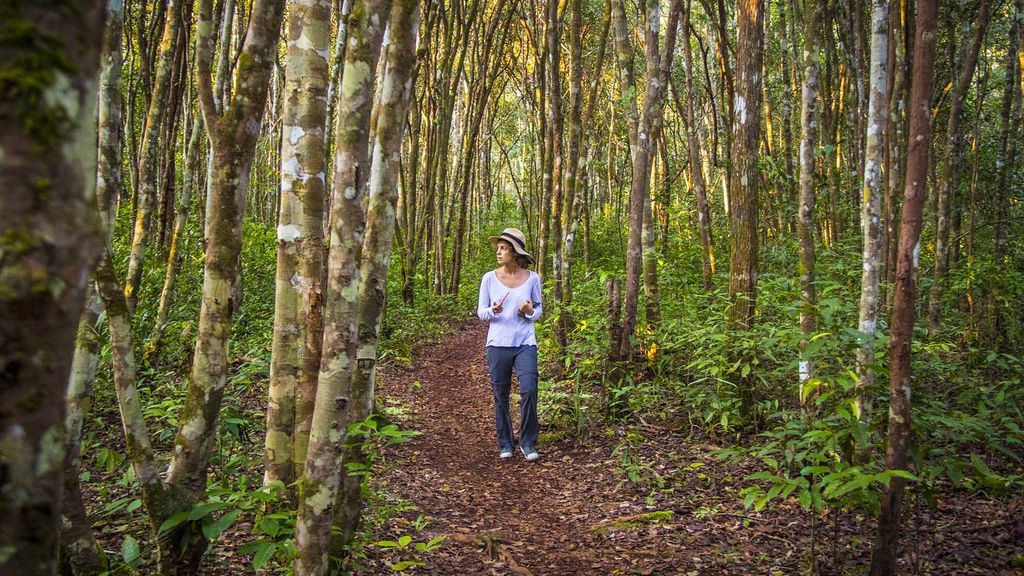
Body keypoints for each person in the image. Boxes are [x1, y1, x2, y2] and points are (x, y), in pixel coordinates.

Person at [477, 227, 543, 462]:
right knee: (501, 394)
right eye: (498, 248)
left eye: (503, 248)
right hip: (497, 344)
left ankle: (527, 441)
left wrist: (529, 311)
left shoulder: (532, 278)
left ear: (515, 253)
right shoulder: (489, 278)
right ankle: (506, 442)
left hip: (525, 342)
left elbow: (538, 311)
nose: (499, 252)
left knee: (529, 389)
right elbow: (480, 312)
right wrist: (492, 311)